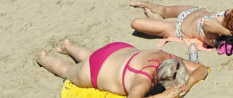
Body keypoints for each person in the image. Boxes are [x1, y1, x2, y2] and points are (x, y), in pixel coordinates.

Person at [36, 38, 206, 98]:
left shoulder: (169, 59)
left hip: (118, 50)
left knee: (93, 55)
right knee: (69, 72)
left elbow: (201, 69)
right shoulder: (142, 80)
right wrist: (163, 96)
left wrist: (188, 84)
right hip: (96, 69)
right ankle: (43, 58)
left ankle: (68, 47)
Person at [128, 0, 233, 47]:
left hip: (177, 27)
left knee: (137, 23)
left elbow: (207, 23)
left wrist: (229, 33)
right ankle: (142, 3)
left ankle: (149, 15)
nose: (226, 12)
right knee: (164, 9)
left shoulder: (216, 35)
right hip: (193, 11)